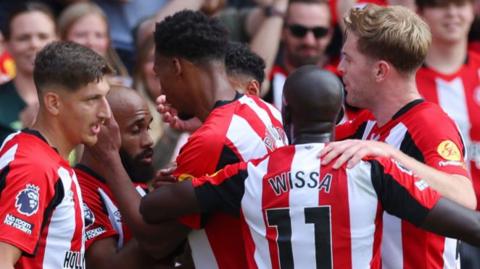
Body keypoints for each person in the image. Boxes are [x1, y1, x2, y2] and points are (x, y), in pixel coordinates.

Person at [140, 66, 480, 269]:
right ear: (337, 118)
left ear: (285, 114)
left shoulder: (249, 176)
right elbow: (469, 226)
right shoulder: (372, 172)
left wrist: (179, 180)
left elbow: (152, 209)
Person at [89, 10, 288, 269]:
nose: (162, 90)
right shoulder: (265, 111)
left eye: (160, 76)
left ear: (176, 67)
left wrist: (108, 156)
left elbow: (156, 242)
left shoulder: (213, 141)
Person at [319, 4, 475, 268]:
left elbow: (465, 197)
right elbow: (309, 146)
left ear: (380, 71)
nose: (340, 68)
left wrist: (390, 154)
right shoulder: (368, 123)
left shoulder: (430, 123)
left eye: (349, 58)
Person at [0, 41, 112, 269]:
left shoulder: (40, 157)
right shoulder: (34, 165)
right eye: (92, 100)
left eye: (105, 97)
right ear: (53, 103)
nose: (106, 113)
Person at [77, 86, 176, 268]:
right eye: (136, 130)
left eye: (148, 127)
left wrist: (166, 198)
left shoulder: (137, 185)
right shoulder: (76, 191)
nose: (148, 140)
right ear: (100, 131)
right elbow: (108, 266)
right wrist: (178, 215)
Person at [414, 0, 480, 267]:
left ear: (473, 9)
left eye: (460, 4)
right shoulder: (405, 79)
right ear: (419, 12)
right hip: (432, 227)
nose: (452, 13)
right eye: (440, 5)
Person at [0, 2, 57, 143]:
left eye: (43, 36)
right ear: (7, 45)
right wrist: (24, 133)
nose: (34, 44)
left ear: (57, 40)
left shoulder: (76, 98)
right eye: (23, 38)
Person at [265, 0, 335, 109]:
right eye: (298, 31)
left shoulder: (347, 81)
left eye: (319, 32)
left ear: (330, 34)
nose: (309, 41)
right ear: (282, 31)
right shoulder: (266, 81)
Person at [58, 2, 130, 86]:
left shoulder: (125, 85)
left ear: (108, 41)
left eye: (99, 35)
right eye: (81, 35)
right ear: (62, 38)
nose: (91, 42)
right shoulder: (50, 83)